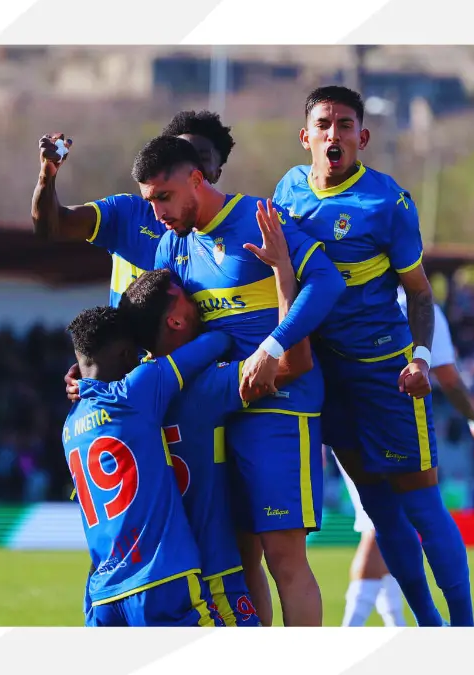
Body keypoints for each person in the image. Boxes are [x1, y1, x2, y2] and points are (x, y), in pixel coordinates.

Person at [271, 85, 474, 627]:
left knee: (422, 507)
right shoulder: (287, 191)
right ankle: (429, 628)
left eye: (344, 126)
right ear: (305, 136)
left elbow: (423, 294)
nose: (333, 134)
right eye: (323, 124)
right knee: (381, 513)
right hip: (327, 378)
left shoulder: (388, 203)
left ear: (361, 137)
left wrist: (422, 360)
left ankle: (467, 632)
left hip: (386, 374)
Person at [129, 134, 345, 626]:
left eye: (164, 196)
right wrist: (97, 370)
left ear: (196, 180)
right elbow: (155, 324)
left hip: (280, 407)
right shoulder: (172, 246)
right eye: (150, 201)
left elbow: (327, 282)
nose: (158, 211)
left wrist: (273, 345)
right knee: (239, 562)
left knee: (283, 558)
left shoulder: (259, 219)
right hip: (217, 413)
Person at [89, 199, 312, 627]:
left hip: (141, 576)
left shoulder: (124, 401)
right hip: (212, 572)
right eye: (186, 298)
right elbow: (295, 362)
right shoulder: (204, 388)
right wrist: (284, 273)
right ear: (174, 322)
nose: (197, 298)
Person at [334, 287, 474, 627]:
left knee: (385, 524)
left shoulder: (334, 286)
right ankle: (441, 628)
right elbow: (447, 377)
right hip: (394, 413)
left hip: (342, 409)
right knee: (405, 518)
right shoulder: (418, 306)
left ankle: (404, 625)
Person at [63, 306, 229, 627]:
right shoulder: (135, 389)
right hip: (160, 577)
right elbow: (217, 342)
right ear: (126, 352)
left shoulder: (70, 425)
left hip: (104, 593)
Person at [31, 109, 237, 306]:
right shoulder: (128, 213)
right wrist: (46, 177)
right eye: (182, 156)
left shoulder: (236, 234)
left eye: (201, 159)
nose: (190, 167)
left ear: (216, 173)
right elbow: (53, 226)